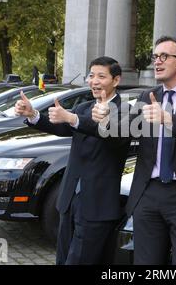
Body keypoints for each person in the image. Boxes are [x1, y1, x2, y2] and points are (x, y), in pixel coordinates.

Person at [93, 36, 176, 264]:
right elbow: (123, 132)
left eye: (164, 56)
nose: (157, 62)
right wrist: (105, 120)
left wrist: (167, 118)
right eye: (155, 57)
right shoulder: (147, 96)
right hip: (148, 193)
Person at [14, 56, 130, 265]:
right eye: (91, 75)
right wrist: (33, 115)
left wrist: (71, 118)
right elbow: (62, 127)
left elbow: (111, 134)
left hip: (97, 206)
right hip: (69, 200)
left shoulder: (125, 112)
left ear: (116, 80)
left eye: (101, 76)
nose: (94, 81)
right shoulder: (84, 107)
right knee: (63, 258)